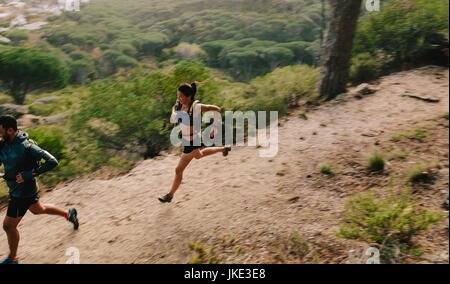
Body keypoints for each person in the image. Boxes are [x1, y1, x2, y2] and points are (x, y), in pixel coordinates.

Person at [0, 115, 79, 264]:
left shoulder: (27, 146)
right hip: (17, 189)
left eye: (0, 129)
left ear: (9, 130)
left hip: (23, 191)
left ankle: (13, 258)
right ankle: (69, 214)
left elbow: (52, 161)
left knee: (8, 226)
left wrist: (29, 174)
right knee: (38, 209)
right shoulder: (3, 143)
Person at [158, 82, 231, 203]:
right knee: (199, 155)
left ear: (189, 96)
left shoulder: (196, 106)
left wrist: (214, 127)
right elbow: (174, 114)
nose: (179, 99)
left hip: (192, 142)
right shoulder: (178, 105)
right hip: (187, 140)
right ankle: (224, 149)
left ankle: (170, 195)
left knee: (178, 170)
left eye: (181, 97)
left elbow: (216, 109)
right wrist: (174, 111)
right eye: (178, 96)